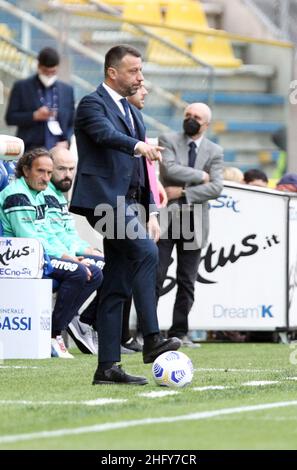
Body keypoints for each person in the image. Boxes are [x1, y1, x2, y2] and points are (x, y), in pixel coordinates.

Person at [70, 44, 181, 385]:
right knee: (146, 252)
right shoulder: (92, 103)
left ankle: (107, 368)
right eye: (134, 71)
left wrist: (149, 211)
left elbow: (142, 172)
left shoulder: (134, 112)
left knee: (117, 285)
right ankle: (151, 338)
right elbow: (105, 135)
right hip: (103, 201)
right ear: (112, 73)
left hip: (129, 203)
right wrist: (138, 145)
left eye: (141, 71)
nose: (140, 77)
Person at [0, 148, 103, 358]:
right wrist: (68, 257)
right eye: (41, 171)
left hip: (37, 255)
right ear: (26, 170)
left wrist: (73, 254)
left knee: (96, 271)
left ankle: (64, 325)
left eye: (48, 172)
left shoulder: (37, 194)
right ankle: (53, 333)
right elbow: (29, 237)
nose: (46, 178)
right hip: (20, 259)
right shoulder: (17, 195)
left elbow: (51, 235)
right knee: (79, 272)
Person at [156, 102, 224, 346]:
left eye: (196, 117)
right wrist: (200, 176)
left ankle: (179, 332)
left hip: (195, 222)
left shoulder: (214, 151)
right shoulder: (168, 138)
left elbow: (217, 187)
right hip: (167, 220)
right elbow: (170, 169)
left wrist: (183, 193)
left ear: (206, 124)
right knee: (156, 275)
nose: (190, 119)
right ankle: (149, 333)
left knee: (187, 281)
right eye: (187, 115)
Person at [119, 84, 168, 353]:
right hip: (119, 203)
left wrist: (151, 210)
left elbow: (147, 169)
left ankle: (123, 334)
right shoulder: (118, 119)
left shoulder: (137, 119)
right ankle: (143, 335)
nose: (146, 91)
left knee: (125, 269)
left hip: (137, 203)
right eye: (140, 87)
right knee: (141, 258)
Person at [45, 146, 104, 354]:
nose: (68, 174)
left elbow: (68, 233)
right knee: (95, 269)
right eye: (62, 169)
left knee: (113, 265)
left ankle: (81, 320)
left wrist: (86, 248)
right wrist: (73, 256)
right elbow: (51, 237)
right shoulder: (44, 193)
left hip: (64, 252)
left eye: (71, 169)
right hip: (48, 256)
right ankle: (65, 323)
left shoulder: (60, 194)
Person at [5, 47, 75, 151]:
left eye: (53, 72)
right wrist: (34, 115)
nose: (49, 75)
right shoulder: (21, 87)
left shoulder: (67, 90)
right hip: (30, 148)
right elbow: (10, 118)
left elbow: (73, 122)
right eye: (46, 71)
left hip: (58, 148)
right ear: (39, 66)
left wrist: (67, 141)